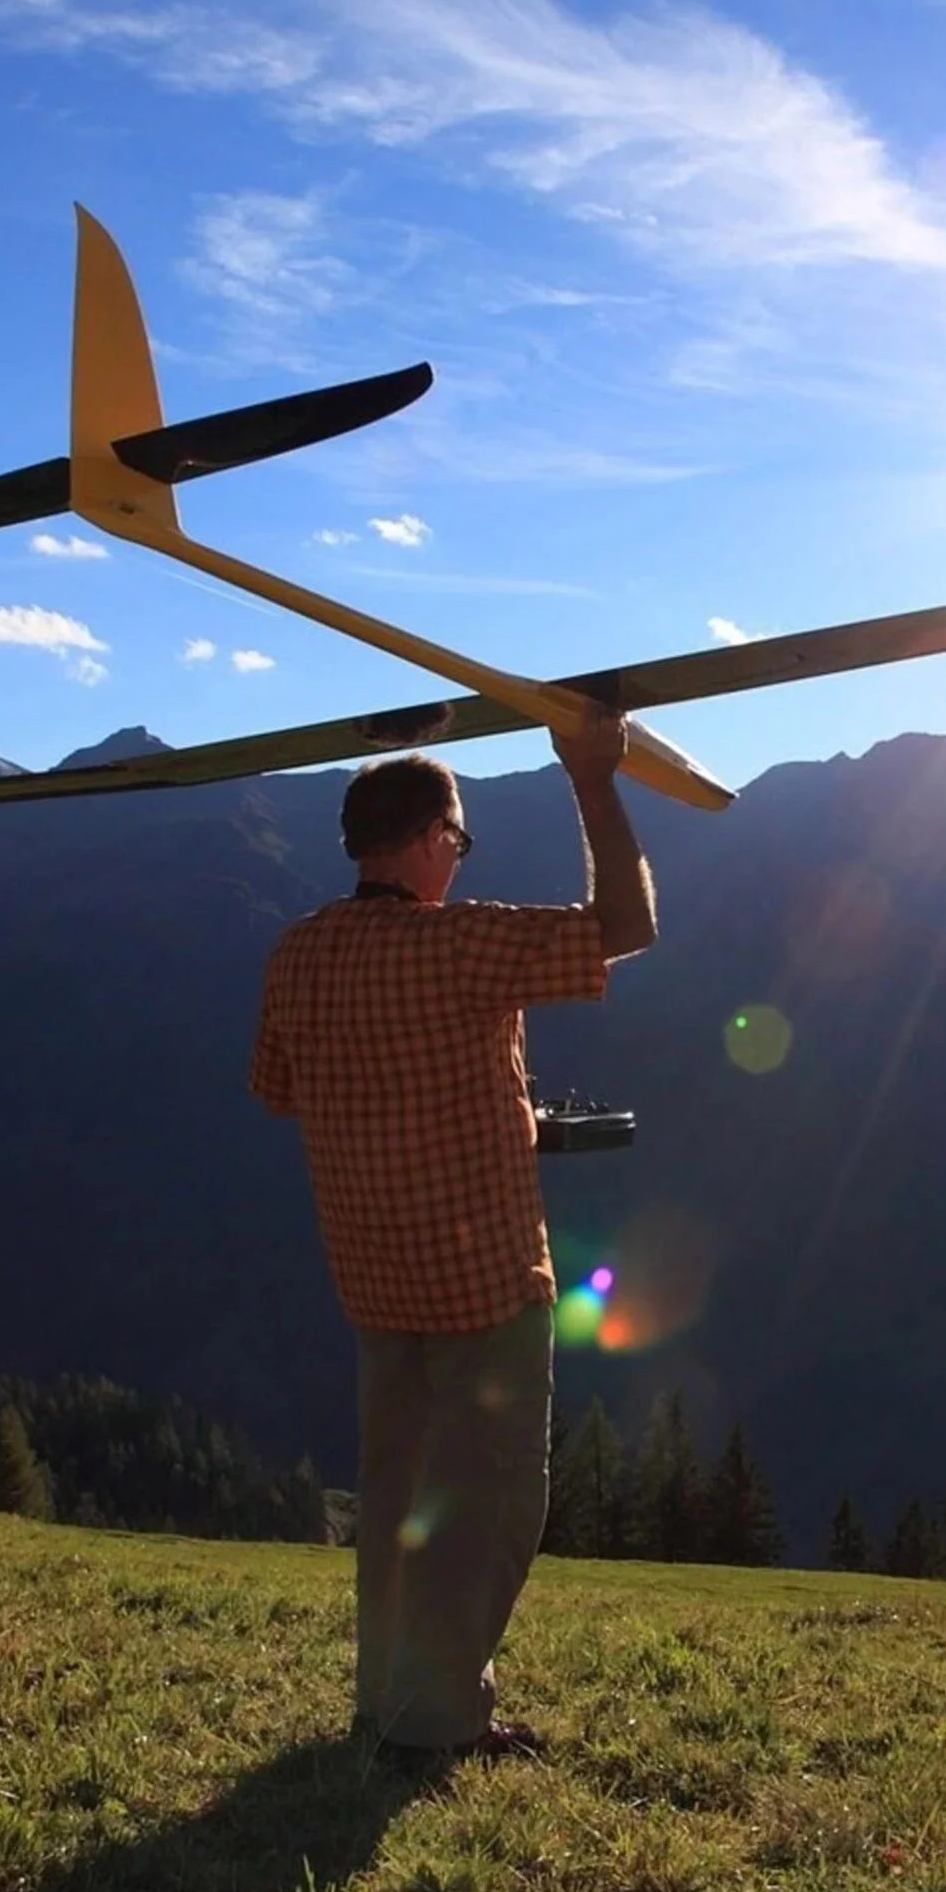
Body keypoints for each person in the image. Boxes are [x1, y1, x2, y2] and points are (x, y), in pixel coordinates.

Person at [250, 704, 655, 1764]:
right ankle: (433, 1720)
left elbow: (278, 1090)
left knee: (396, 1501)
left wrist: (472, 1112)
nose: (459, 862)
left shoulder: (296, 956)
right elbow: (626, 925)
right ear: (432, 838)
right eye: (459, 843)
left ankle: (385, 1698)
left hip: (373, 1279)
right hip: (481, 1282)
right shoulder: (461, 945)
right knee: (489, 1503)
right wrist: (593, 777)